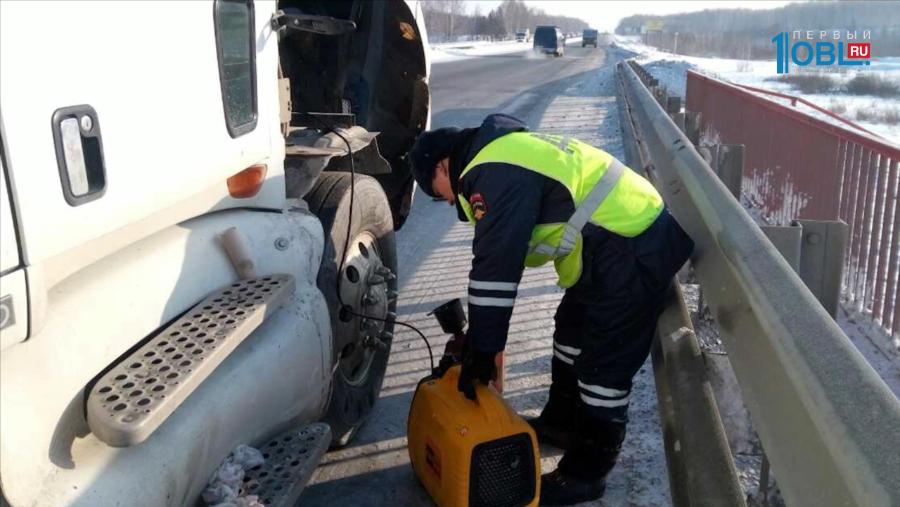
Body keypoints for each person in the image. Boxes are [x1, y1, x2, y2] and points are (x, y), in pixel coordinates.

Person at [409, 114, 694, 505]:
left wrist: (483, 348)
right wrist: (484, 341)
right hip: (607, 240)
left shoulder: (490, 171)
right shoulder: (500, 154)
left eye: (434, 190)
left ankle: (587, 473)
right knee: (569, 333)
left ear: (442, 166)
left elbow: (496, 271)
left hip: (633, 243)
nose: (443, 199)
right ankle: (562, 422)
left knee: (602, 369)